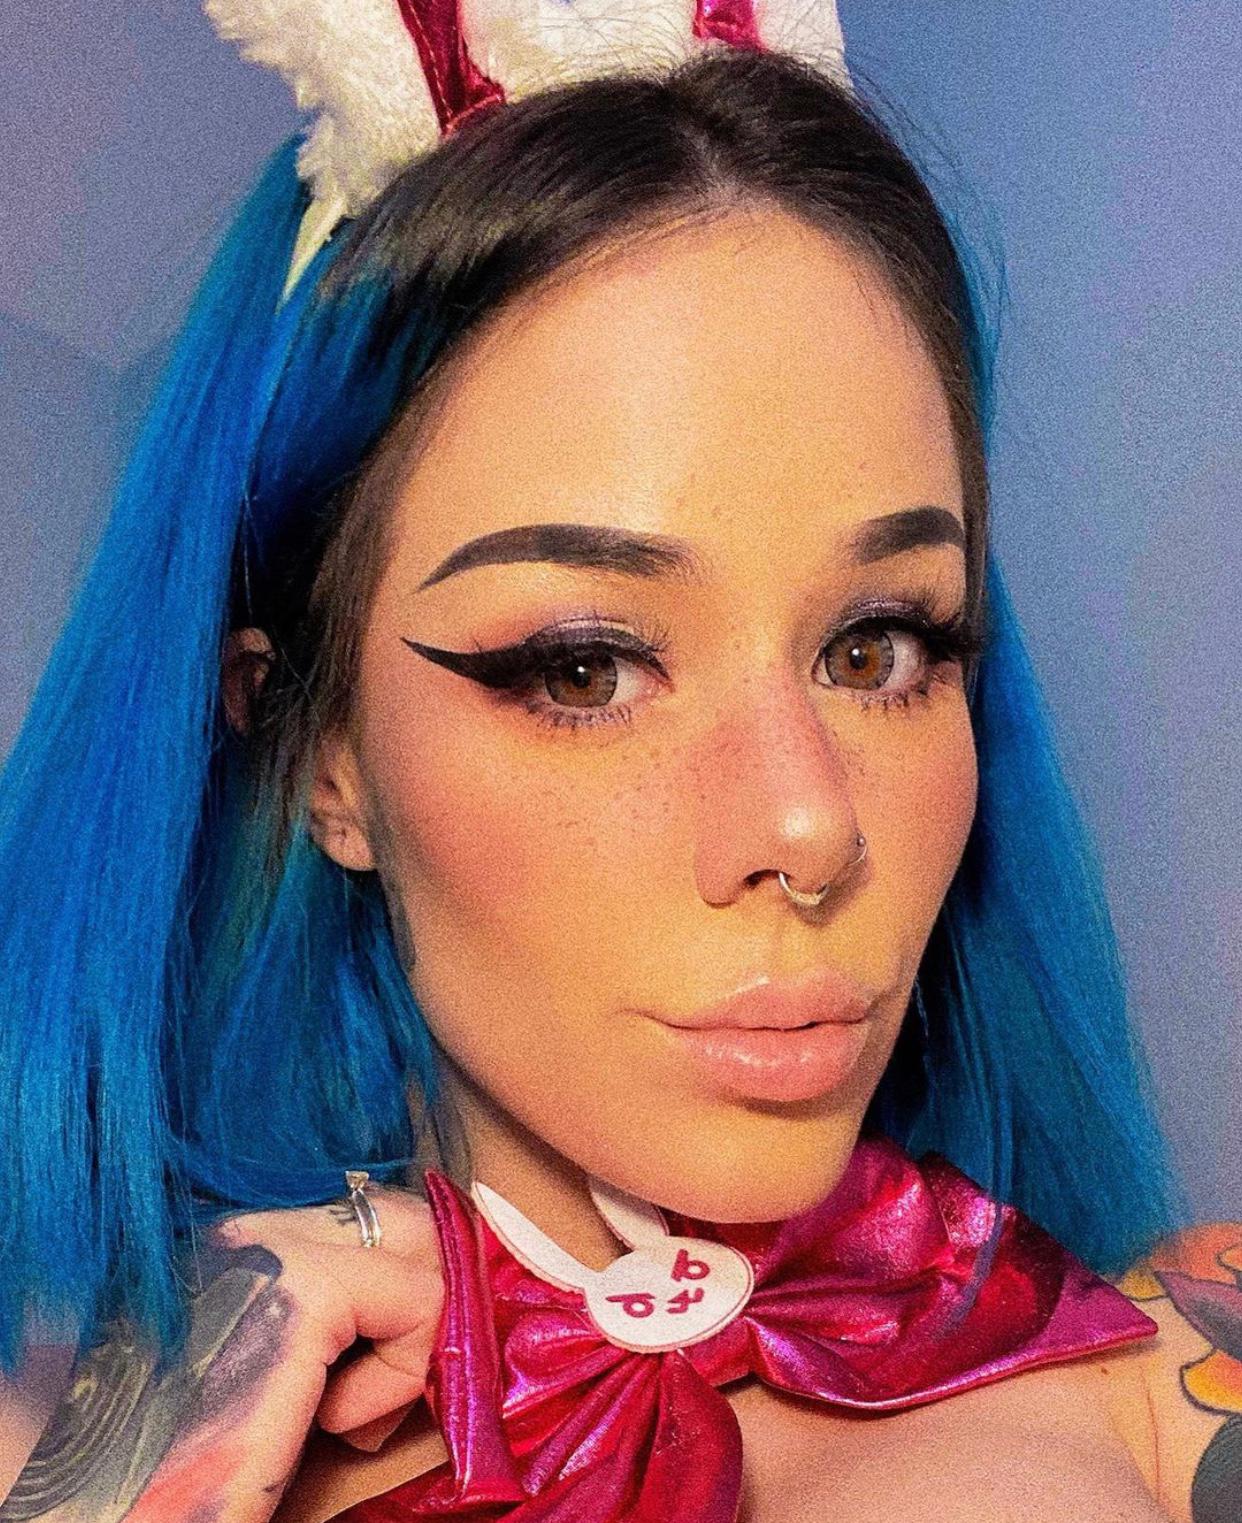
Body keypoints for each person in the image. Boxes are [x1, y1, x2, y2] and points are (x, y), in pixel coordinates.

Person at [0, 4, 1237, 1521]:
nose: (808, 821)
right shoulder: (60, 1447)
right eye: (585, 670)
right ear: (321, 755)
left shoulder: (1175, 1368)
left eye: (878, 648)